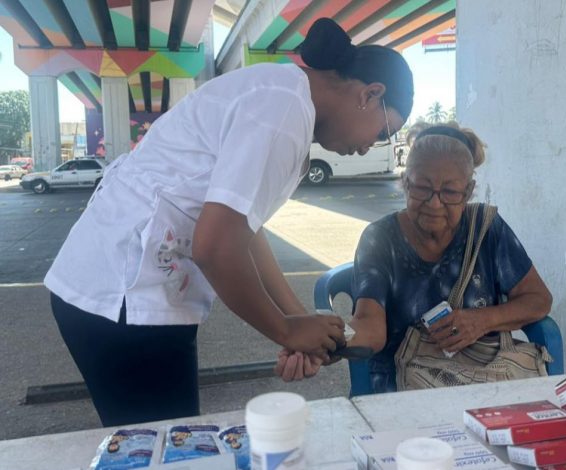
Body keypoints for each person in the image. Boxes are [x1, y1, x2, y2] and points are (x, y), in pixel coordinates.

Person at [45, 17, 414, 425]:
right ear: (370, 94)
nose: (370, 148)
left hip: (122, 295)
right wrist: (285, 330)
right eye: (385, 133)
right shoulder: (284, 106)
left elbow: (244, 234)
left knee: (164, 444)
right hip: (123, 299)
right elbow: (216, 247)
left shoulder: (285, 98)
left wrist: (300, 325)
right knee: (163, 451)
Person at [337, 123, 552, 393]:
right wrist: (330, 341)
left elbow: (539, 300)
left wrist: (482, 320)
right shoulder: (380, 239)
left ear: (469, 191)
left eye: (450, 192)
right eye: (421, 188)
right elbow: (369, 323)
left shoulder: (487, 228)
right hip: (401, 385)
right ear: (405, 183)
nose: (434, 204)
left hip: (486, 378)